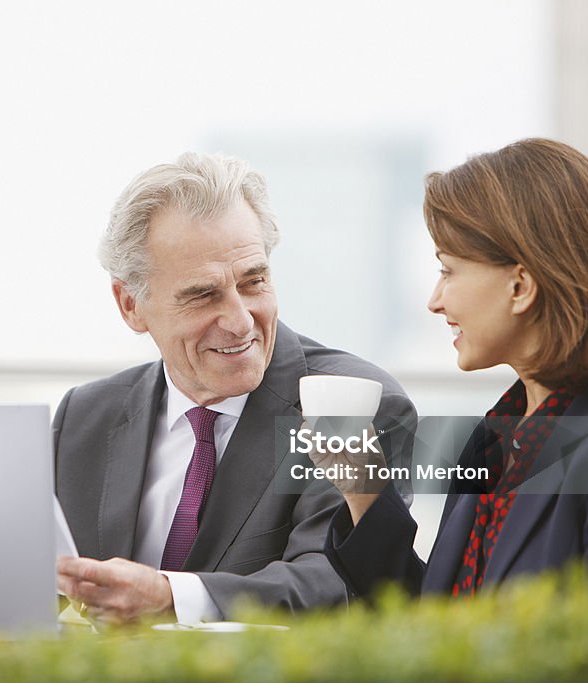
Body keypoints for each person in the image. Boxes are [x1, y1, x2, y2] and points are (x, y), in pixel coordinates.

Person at [53, 152, 417, 625]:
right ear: (130, 306)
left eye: (254, 281)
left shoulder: (355, 402)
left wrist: (171, 599)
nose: (241, 321)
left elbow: (343, 583)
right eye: (203, 295)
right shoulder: (85, 416)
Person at [315, 138, 588, 599]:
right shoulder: (494, 441)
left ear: (521, 286)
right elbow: (447, 627)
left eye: (448, 271)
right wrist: (364, 490)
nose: (435, 301)